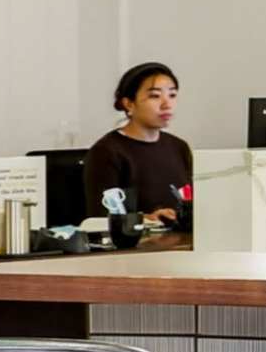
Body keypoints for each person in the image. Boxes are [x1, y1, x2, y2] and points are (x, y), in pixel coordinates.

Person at [83, 62, 194, 242]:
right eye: (155, 96)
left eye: (172, 95)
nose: (167, 104)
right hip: (135, 249)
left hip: (180, 245)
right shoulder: (107, 152)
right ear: (129, 103)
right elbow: (101, 217)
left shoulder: (179, 147)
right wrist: (147, 219)